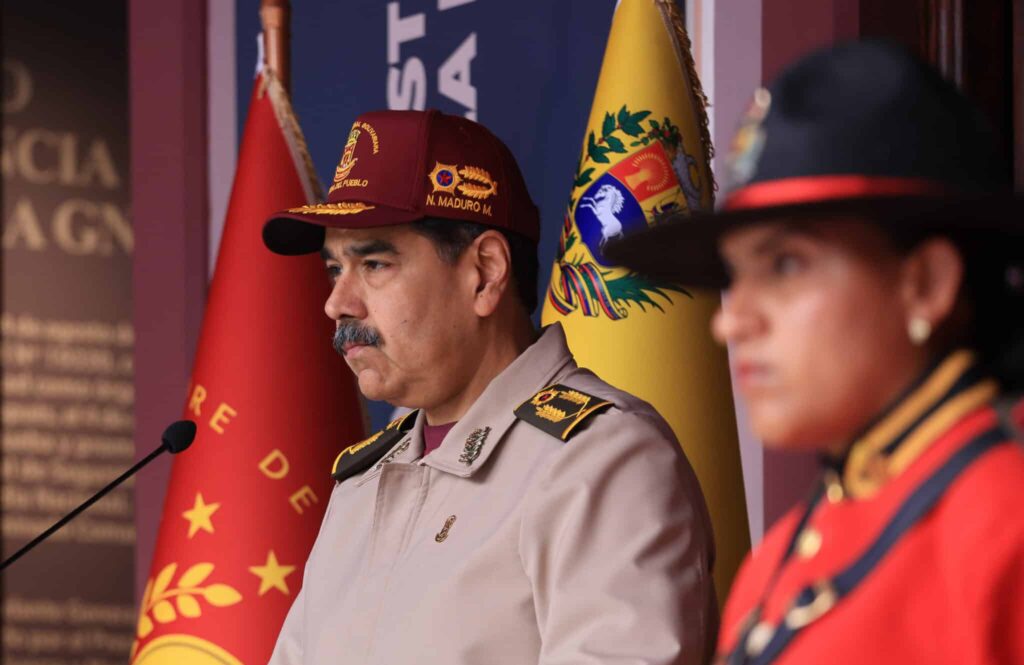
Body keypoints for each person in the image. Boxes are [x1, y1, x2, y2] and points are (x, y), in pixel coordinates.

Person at [608, 41, 1024, 664]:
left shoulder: (1006, 523)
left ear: (926, 285)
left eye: (785, 263)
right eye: (731, 276)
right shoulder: (781, 555)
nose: (731, 323)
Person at [261, 109, 717, 665]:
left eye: (374, 264)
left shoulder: (603, 461)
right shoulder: (362, 483)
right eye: (335, 270)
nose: (337, 303)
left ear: (486, 272)